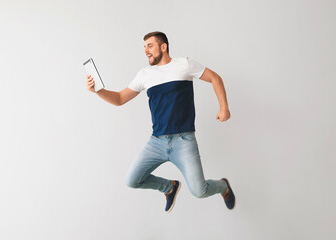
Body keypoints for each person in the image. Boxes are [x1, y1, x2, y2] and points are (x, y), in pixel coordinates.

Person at [85, 31, 235, 213]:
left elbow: (215, 78)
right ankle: (169, 187)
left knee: (199, 191)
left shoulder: (184, 64)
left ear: (163, 47)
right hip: (157, 142)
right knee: (132, 180)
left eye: (150, 45)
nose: (146, 50)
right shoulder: (144, 74)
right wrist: (98, 91)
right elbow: (119, 99)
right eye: (144, 47)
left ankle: (223, 187)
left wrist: (224, 108)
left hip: (184, 141)